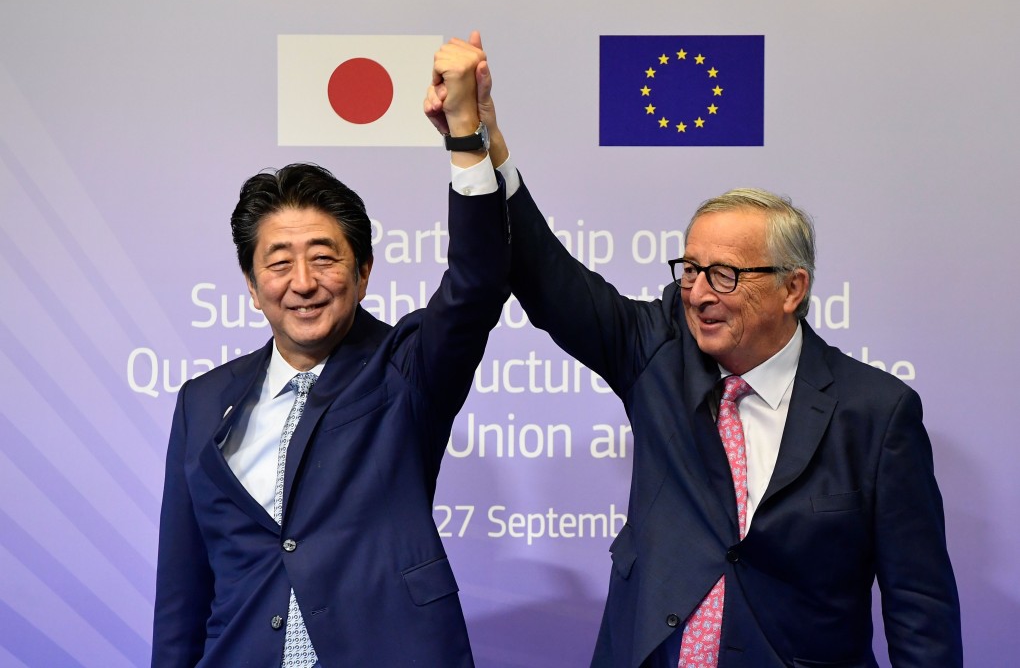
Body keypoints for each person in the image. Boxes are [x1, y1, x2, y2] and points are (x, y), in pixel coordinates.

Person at [425, 35, 963, 667]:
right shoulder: (658, 349)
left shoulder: (877, 412)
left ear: (794, 288)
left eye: (725, 275)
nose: (699, 293)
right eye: (690, 269)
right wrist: (484, 142)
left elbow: (919, 607)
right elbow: (547, 280)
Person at [152, 52, 508, 667]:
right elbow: (183, 591)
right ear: (251, 282)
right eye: (279, 261)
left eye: (324, 257)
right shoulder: (203, 402)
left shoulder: (404, 368)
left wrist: (466, 139)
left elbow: (475, 285)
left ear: (363, 271)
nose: (303, 282)